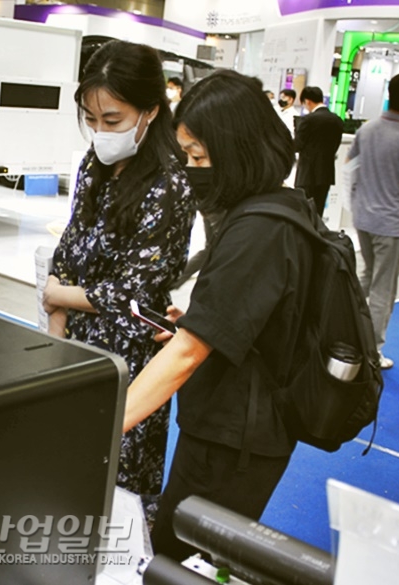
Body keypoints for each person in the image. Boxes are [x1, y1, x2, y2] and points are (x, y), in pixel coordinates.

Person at [122, 69, 310, 561]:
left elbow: (188, 353)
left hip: (234, 440)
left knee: (173, 560)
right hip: (238, 427)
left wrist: (104, 422)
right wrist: (199, 316)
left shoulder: (260, 229)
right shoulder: (280, 208)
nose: (190, 168)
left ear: (238, 149)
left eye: (199, 157)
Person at [42, 40, 195, 521]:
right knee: (58, 477)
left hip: (128, 362)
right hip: (72, 343)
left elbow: (134, 293)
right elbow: (69, 246)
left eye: (112, 121)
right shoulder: (95, 163)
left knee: (115, 496)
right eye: (91, 119)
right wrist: (56, 327)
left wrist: (58, 295)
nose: (99, 132)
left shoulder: (171, 183)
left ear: (150, 111)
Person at [348, 71, 399, 369]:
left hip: (363, 218)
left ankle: (345, 334)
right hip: (390, 224)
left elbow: (351, 166)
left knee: (367, 277)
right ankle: (371, 352)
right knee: (383, 289)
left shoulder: (367, 130)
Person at [295, 86, 344, 215]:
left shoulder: (308, 120)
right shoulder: (337, 120)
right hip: (326, 172)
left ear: (307, 101)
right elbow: (336, 144)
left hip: (307, 173)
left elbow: (298, 144)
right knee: (318, 211)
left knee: (304, 211)